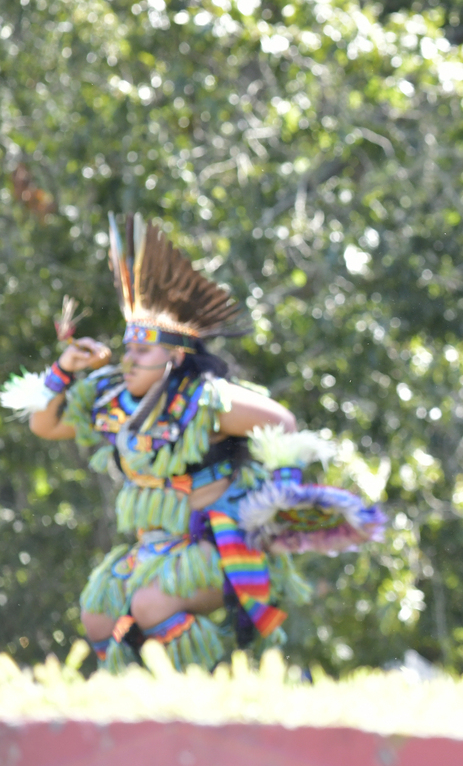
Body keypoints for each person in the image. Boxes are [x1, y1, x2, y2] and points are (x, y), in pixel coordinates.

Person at [1, 215, 384, 671]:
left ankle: (213, 683)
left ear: (175, 356)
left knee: (149, 607)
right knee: (96, 616)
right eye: (128, 349)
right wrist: (64, 369)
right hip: (151, 546)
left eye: (143, 351)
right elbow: (45, 424)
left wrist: (278, 497)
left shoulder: (207, 401)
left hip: (215, 545)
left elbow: (281, 420)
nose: (130, 359)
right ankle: (134, 710)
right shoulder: (108, 398)